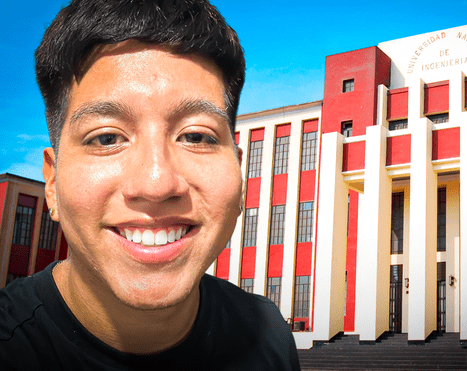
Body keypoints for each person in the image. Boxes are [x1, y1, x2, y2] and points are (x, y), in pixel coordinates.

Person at [0, 1, 300, 370]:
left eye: (196, 136)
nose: (156, 183)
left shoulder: (268, 335)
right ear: (53, 182)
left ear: (239, 174)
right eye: (107, 138)